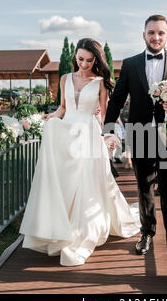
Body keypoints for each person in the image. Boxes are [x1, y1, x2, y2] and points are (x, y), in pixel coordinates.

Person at [19, 38, 140, 266]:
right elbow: (63, 108)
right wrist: (49, 117)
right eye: (80, 58)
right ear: (75, 56)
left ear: (96, 60)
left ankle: (81, 231)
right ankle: (59, 226)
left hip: (89, 134)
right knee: (67, 181)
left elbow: (105, 115)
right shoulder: (65, 78)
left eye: (89, 60)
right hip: (66, 133)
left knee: (87, 183)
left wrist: (108, 137)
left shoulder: (101, 82)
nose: (84, 64)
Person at [103, 15, 167, 280]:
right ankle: (147, 233)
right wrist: (109, 131)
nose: (156, 37)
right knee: (145, 189)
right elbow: (117, 100)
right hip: (140, 135)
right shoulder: (131, 64)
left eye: (161, 33)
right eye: (152, 33)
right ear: (143, 34)